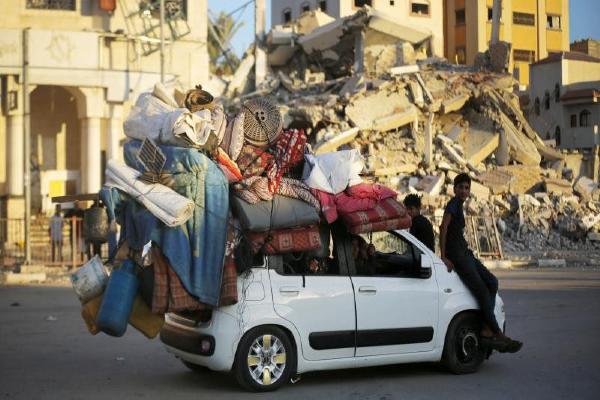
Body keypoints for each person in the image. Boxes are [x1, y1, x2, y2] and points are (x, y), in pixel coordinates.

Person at [440, 173, 522, 353]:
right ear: (454, 189)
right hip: (459, 257)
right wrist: (444, 256)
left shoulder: (459, 205)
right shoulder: (453, 204)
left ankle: (486, 327)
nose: (464, 191)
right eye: (460, 187)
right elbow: (443, 227)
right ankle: (496, 332)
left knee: (492, 282)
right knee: (482, 291)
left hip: (466, 253)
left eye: (466, 188)